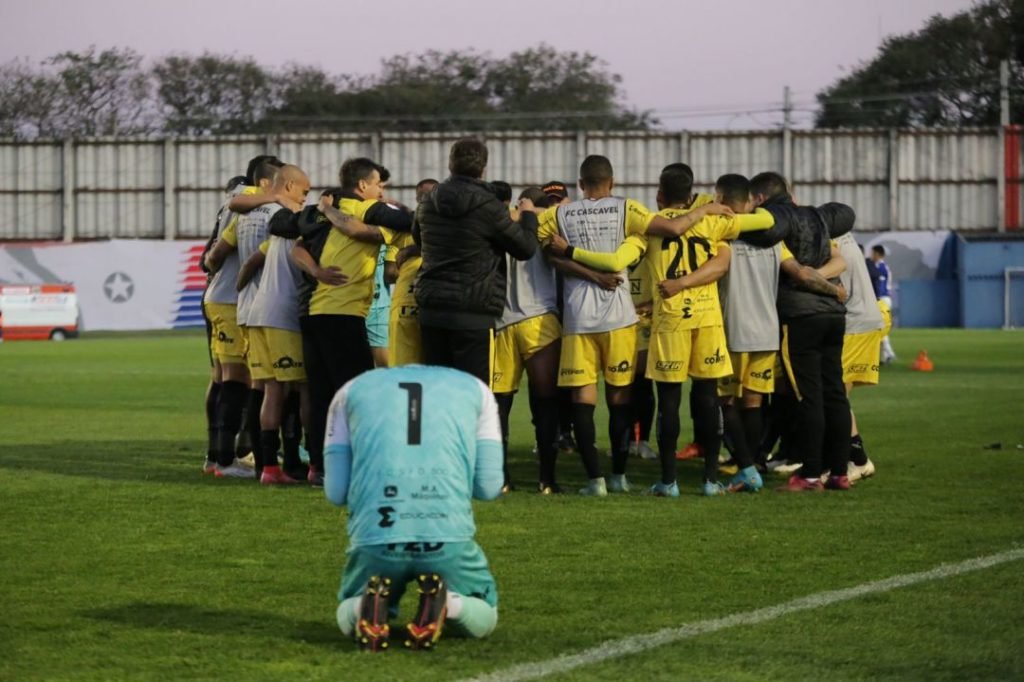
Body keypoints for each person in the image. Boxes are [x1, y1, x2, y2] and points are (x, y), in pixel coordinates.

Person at [534, 155, 737, 496]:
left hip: (578, 319)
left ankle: (594, 481)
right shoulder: (627, 209)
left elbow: (552, 257)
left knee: (584, 400)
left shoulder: (558, 214)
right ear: (611, 183)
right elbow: (672, 228)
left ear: (581, 184)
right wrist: (705, 210)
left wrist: (590, 274)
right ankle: (619, 476)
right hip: (620, 317)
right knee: (620, 398)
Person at [325, 365, 503, 651]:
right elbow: (489, 486)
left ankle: (362, 607)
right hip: (446, 534)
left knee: (346, 608)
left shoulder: (351, 389)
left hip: (376, 535)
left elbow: (335, 492)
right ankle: (451, 604)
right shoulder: (477, 389)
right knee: (486, 612)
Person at [287, 157, 413, 485]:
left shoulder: (315, 212)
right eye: (378, 186)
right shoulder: (362, 210)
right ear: (362, 187)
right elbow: (387, 226)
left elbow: (295, 248)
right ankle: (357, 465)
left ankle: (319, 467)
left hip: (311, 313)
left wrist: (315, 271)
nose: (381, 193)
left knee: (321, 395)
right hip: (342, 314)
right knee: (356, 393)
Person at [741, 172, 856, 491]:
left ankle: (809, 473)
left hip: (800, 315)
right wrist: (831, 291)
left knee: (809, 395)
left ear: (760, 199)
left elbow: (796, 269)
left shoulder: (774, 221)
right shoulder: (818, 216)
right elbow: (843, 228)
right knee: (834, 391)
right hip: (833, 316)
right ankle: (839, 471)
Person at [414, 138, 539, 385]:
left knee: (438, 391)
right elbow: (525, 248)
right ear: (484, 168)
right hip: (473, 311)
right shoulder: (488, 206)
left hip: (432, 309)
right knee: (472, 394)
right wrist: (528, 217)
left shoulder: (428, 201)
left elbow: (419, 239)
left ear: (450, 165)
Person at [204, 157, 283, 479]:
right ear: (265, 183)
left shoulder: (244, 205)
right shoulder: (247, 200)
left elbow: (211, 257)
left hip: (227, 298)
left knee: (226, 377)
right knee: (238, 378)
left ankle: (223, 455)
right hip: (231, 299)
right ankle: (224, 459)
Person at [240, 165, 313, 485]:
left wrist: (243, 292)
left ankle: (269, 467)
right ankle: (307, 462)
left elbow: (250, 263)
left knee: (271, 389)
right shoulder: (302, 229)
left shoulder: (279, 231)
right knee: (302, 388)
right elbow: (302, 262)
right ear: (291, 186)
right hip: (283, 316)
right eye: (304, 193)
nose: (304, 199)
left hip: (257, 311)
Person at [492, 186, 565, 494]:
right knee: (546, 403)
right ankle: (546, 480)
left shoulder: (498, 222)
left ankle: (502, 479)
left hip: (503, 323)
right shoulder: (548, 223)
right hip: (539, 320)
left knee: (499, 405)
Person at [837, 233, 890, 481]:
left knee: (836, 396)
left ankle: (856, 459)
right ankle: (849, 458)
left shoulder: (835, 248)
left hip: (857, 322)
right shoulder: (851, 247)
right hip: (872, 313)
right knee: (836, 395)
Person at [384, 178, 437, 368]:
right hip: (436, 305)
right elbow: (389, 273)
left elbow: (390, 272)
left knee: (404, 369)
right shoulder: (451, 228)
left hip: (407, 303)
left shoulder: (401, 230)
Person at [871, 244, 896, 363]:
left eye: (872, 253)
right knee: (879, 328)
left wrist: (876, 299)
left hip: (882, 299)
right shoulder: (884, 267)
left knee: (880, 328)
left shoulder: (880, 267)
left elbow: (880, 285)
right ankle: (885, 356)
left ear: (877, 254)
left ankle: (889, 353)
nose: (871, 256)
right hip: (885, 299)